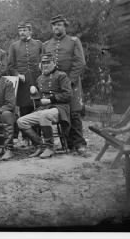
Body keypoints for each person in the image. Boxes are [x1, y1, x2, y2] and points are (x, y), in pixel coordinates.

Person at [43, 15, 87, 155]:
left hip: (71, 83)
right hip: (55, 86)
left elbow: (80, 63)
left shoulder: (73, 41)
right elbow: (45, 65)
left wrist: (69, 81)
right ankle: (68, 143)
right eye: (54, 25)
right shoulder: (46, 45)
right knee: (61, 112)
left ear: (65, 26)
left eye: (60, 25)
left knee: (74, 112)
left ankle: (79, 143)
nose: (57, 27)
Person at [17, 53, 72, 159]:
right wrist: (34, 92)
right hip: (44, 109)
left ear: (54, 63)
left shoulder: (61, 76)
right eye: (43, 63)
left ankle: (50, 147)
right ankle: (40, 145)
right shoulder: (40, 78)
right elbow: (39, 98)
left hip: (59, 109)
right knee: (21, 121)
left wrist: (50, 99)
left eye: (48, 63)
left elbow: (68, 95)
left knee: (44, 115)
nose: (45, 65)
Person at [8, 22, 43, 144]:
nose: (22, 32)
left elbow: (44, 60)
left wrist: (41, 67)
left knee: (38, 108)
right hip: (23, 83)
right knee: (24, 109)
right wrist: (17, 74)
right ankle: (26, 138)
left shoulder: (38, 44)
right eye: (20, 30)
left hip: (36, 80)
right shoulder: (14, 46)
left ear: (30, 31)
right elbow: (11, 66)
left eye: (24, 30)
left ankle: (38, 138)